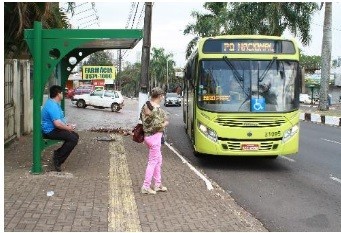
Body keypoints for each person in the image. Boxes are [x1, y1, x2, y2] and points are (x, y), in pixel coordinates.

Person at [42, 85, 79, 172]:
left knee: (75, 136)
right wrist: (67, 128)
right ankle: (58, 158)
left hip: (53, 128)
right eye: (62, 93)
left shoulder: (54, 103)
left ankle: (58, 154)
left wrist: (67, 125)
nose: (63, 94)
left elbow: (59, 120)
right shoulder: (52, 106)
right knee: (73, 138)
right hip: (50, 131)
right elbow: (57, 124)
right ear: (58, 94)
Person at [140, 87, 169, 195]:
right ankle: (146, 186)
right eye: (162, 95)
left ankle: (157, 184)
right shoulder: (157, 109)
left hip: (147, 136)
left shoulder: (146, 105)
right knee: (152, 162)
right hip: (155, 138)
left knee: (158, 160)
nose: (163, 97)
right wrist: (165, 123)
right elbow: (158, 125)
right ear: (160, 96)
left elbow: (143, 119)